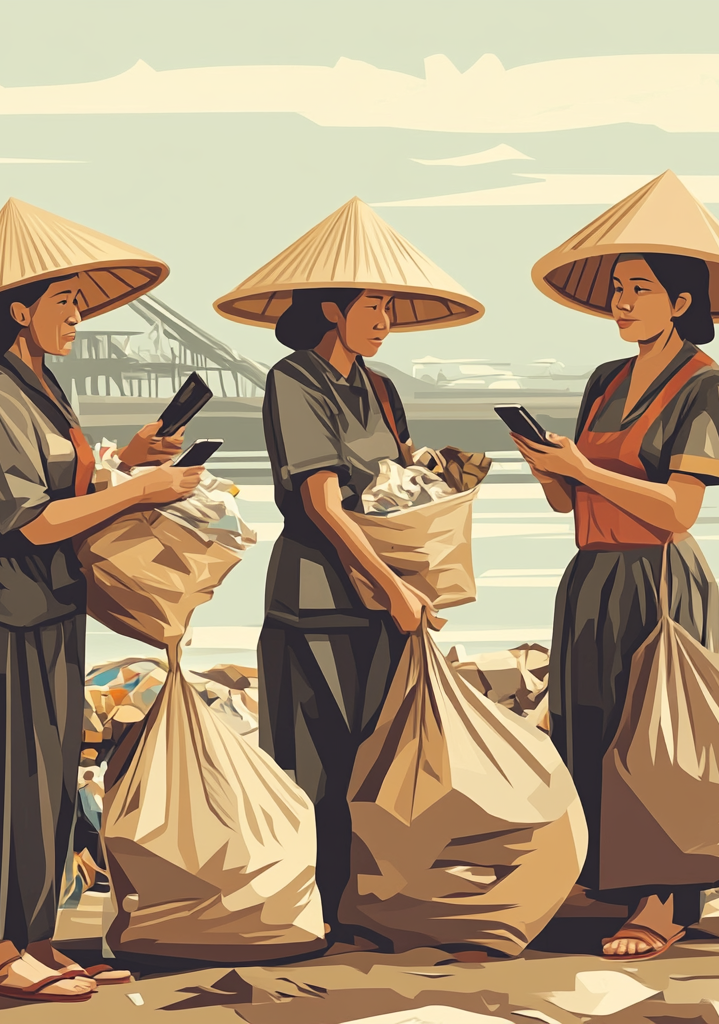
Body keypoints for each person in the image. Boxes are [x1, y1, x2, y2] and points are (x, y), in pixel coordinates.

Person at [0, 200, 206, 1002]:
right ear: (20, 311)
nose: (79, 318)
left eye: (79, 303)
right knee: (4, 786)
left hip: (52, 613)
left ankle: (38, 939)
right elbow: (35, 520)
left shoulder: (44, 387)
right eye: (65, 303)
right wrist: (142, 488)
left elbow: (69, 488)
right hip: (1, 614)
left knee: (46, 783)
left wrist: (130, 461)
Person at [519, 172, 719, 961]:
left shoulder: (706, 385)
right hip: (592, 574)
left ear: (679, 301)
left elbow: (677, 509)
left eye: (638, 289)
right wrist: (547, 466)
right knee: (589, 726)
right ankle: (606, 875)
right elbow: (567, 505)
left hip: (658, 579)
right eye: (616, 289)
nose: (620, 303)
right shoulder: (604, 380)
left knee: (660, 733)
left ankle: (665, 899)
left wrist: (586, 470)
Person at [213, 197, 483, 937]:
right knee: (314, 768)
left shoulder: (382, 388)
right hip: (317, 599)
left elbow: (391, 490)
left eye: (391, 302)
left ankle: (365, 905)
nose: (384, 315)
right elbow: (325, 504)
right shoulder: (294, 380)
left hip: (382, 599)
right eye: (372, 301)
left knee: (379, 757)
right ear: (330, 305)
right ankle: (315, 913)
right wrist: (394, 586)